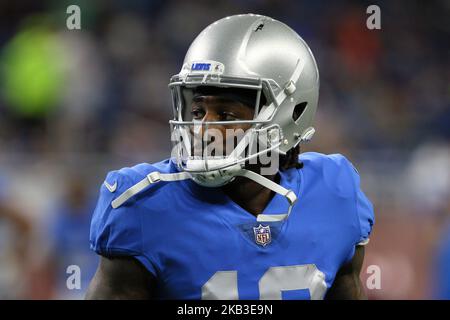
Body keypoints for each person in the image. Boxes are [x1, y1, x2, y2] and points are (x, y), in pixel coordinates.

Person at [86, 14, 374, 300]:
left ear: (290, 115)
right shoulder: (141, 204)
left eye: (225, 115)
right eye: (198, 112)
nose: (203, 129)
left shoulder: (334, 195)